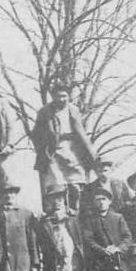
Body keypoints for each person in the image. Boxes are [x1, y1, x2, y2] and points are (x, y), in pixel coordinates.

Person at [30, 82, 97, 211]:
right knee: (56, 185)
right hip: (53, 151)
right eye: (58, 96)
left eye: (64, 96)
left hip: (73, 150)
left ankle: (76, 211)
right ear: (53, 97)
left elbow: (81, 132)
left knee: (76, 184)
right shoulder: (44, 112)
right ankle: (59, 212)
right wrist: (43, 149)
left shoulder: (73, 110)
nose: (62, 99)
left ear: (68, 96)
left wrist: (91, 153)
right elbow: (36, 134)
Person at [36, 184, 86, 271]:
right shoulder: (44, 223)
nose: (57, 202)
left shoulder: (73, 219)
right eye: (53, 199)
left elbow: (80, 241)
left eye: (59, 198)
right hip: (55, 266)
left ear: (64, 199)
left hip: (73, 263)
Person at [81, 187, 132, 271]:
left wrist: (118, 248)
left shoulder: (118, 217)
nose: (101, 202)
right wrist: (103, 250)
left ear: (109, 201)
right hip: (99, 264)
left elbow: (127, 237)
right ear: (94, 202)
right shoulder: (90, 220)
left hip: (119, 261)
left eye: (104, 199)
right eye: (98, 200)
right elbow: (88, 240)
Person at [0, 184, 38, 271]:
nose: (9, 195)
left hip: (22, 265)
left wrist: (35, 262)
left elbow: (32, 239)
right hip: (4, 265)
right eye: (6, 193)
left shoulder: (26, 214)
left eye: (12, 192)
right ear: (0, 196)